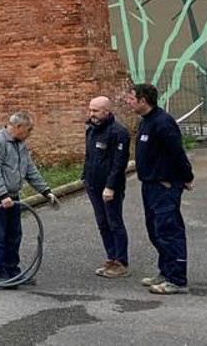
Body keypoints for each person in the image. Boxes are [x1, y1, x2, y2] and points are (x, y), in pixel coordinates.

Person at [126, 83, 195, 295]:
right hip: (150, 185)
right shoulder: (146, 122)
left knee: (169, 231)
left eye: (131, 98)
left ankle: (177, 280)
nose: (128, 102)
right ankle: (165, 271)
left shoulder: (163, 123)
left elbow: (177, 152)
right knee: (155, 231)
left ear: (143, 100)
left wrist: (186, 177)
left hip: (164, 186)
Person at [0, 112, 57, 285]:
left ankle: (13, 271)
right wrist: (2, 195)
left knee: (14, 235)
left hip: (13, 196)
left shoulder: (20, 144)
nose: (30, 133)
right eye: (29, 130)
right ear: (18, 127)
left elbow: (30, 169)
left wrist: (45, 191)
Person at [83, 96, 130, 278]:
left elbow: (119, 164)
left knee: (114, 222)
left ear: (106, 111)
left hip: (110, 188)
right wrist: (84, 177)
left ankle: (121, 261)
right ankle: (111, 257)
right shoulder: (92, 130)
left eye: (95, 110)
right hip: (92, 184)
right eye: (90, 110)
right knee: (102, 223)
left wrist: (110, 186)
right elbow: (89, 157)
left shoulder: (119, 132)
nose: (91, 114)